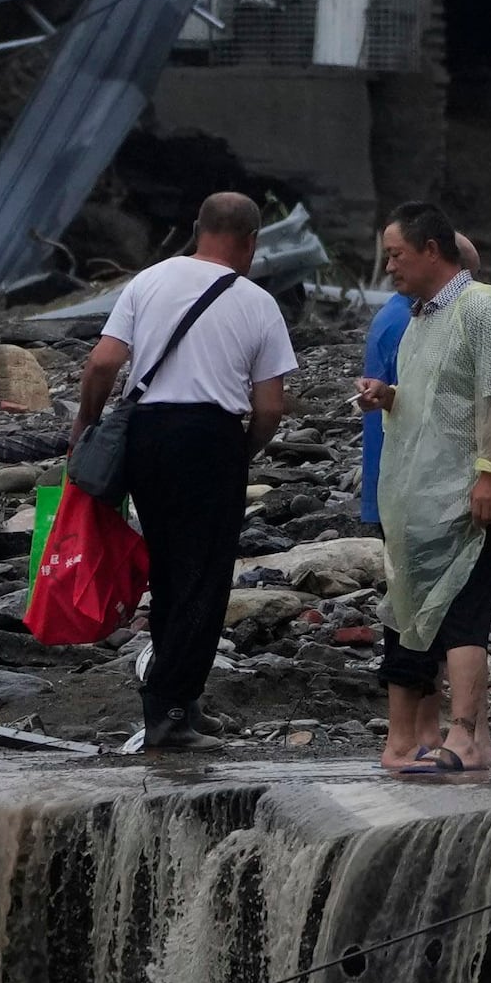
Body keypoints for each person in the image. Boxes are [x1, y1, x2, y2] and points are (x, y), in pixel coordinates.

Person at [76, 191, 298, 756]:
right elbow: (270, 406)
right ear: (250, 241)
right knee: (203, 575)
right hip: (210, 436)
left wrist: (87, 423)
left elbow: (103, 362)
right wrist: (241, 451)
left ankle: (178, 699)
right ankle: (171, 714)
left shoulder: (147, 281)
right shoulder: (256, 301)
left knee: (170, 568)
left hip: (147, 432)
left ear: (198, 228)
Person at [361, 199, 491, 778]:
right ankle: (436, 737)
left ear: (431, 250)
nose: (390, 268)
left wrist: (490, 475)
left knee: (463, 614)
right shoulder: (420, 317)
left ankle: (468, 737)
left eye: (396, 255)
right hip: (419, 495)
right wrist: (389, 397)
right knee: (416, 613)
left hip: (464, 489)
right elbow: (435, 400)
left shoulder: (480, 310)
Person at [350, 223, 479, 526]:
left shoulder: (421, 313)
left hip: (410, 483)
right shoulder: (405, 320)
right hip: (413, 487)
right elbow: (432, 404)